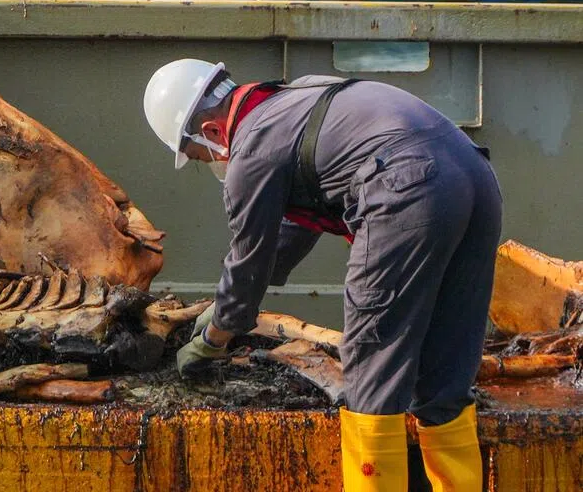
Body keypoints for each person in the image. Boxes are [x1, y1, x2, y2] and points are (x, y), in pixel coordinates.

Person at [143, 59, 502, 492]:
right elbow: (289, 233)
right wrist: (227, 307)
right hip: (475, 174)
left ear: (214, 133)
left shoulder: (250, 149)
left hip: (408, 186)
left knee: (373, 368)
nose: (211, 162)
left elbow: (249, 260)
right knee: (447, 370)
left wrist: (215, 336)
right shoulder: (298, 97)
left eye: (198, 155)